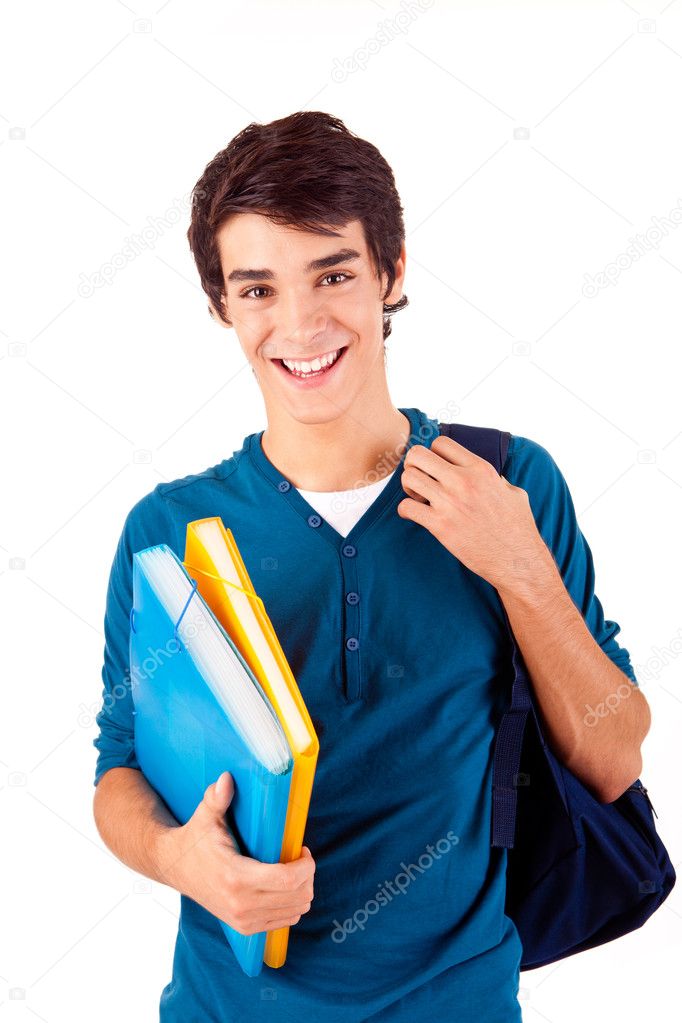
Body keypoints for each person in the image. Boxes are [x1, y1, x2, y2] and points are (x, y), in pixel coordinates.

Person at [91, 110, 649, 1022]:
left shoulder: (508, 483)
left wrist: (524, 571)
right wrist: (177, 857)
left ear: (391, 273)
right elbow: (119, 772)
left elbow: (613, 754)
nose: (301, 323)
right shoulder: (169, 529)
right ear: (222, 305)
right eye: (258, 288)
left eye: (334, 274)